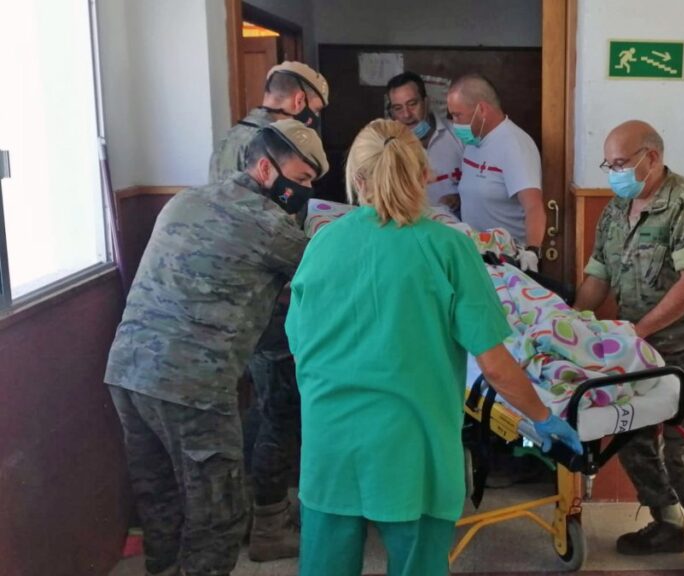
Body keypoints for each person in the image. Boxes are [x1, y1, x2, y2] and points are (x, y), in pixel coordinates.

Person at [285, 119, 582, 576]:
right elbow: (497, 367)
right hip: (412, 445)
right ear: (425, 175)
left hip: (331, 440)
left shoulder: (322, 244)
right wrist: (543, 420)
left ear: (357, 179)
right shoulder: (449, 249)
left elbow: (299, 342)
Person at [105, 120, 327, 576]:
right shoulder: (267, 223)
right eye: (302, 179)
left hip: (127, 372)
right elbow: (325, 272)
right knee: (219, 516)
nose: (305, 191)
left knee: (161, 498)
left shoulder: (187, 198)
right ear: (266, 169)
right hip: (193, 387)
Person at [575, 120, 684, 576]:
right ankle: (668, 523)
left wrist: (637, 331)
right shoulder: (614, 210)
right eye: (609, 164)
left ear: (652, 157)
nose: (614, 172)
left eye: (621, 163)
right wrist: (569, 322)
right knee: (632, 435)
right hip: (636, 345)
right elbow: (597, 278)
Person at [208, 59, 330, 562]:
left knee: (259, 407)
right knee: (280, 411)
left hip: (235, 303)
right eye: (316, 113)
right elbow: (282, 241)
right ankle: (269, 526)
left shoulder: (230, 139)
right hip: (271, 303)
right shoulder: (279, 144)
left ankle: (250, 512)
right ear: (301, 103)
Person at [447, 73, 545, 271]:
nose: (455, 123)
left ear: (481, 109)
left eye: (458, 115)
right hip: (475, 255)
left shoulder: (514, 145)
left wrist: (532, 251)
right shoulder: (473, 141)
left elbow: (533, 206)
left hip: (505, 260)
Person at [209, 61, 330, 182]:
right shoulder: (274, 144)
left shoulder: (230, 137)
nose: (315, 116)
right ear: (299, 100)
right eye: (316, 109)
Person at [385, 71, 464, 214]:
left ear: (426, 102)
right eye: (398, 108)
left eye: (412, 104)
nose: (406, 114)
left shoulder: (459, 135)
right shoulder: (388, 146)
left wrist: (460, 198)